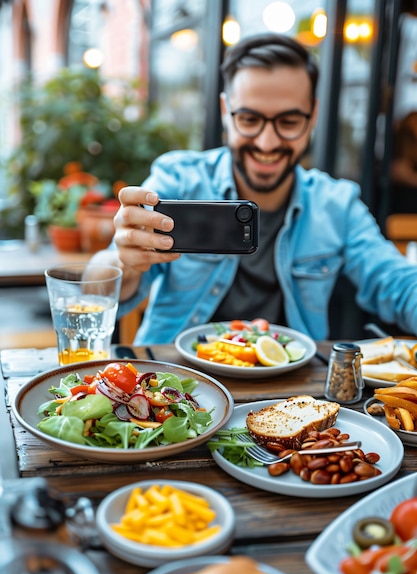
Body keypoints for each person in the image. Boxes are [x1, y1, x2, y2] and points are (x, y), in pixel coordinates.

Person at [92, 33, 417, 345]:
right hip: (172, 386)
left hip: (291, 396)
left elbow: (397, 284)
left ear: (313, 116)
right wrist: (122, 262)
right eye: (249, 119)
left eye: (288, 123)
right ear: (225, 112)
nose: (267, 143)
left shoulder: (336, 203)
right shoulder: (177, 180)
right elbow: (94, 289)